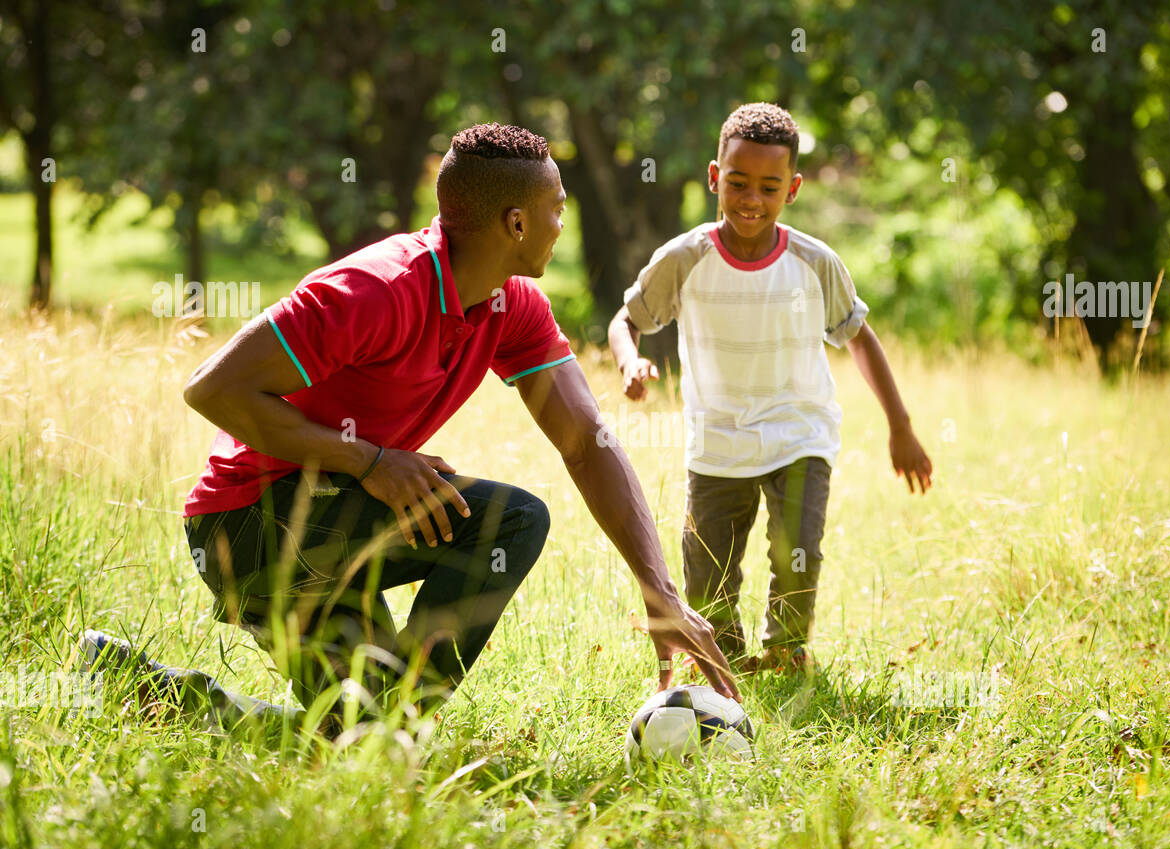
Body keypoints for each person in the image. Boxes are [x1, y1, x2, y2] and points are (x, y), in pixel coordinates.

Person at [82, 123, 737, 738]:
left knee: (358, 733)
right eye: (557, 208)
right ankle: (394, 732)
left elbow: (585, 441)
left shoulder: (511, 306)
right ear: (515, 222)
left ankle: (155, 690)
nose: (563, 224)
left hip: (328, 532)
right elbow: (212, 387)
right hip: (250, 528)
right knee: (510, 520)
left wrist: (660, 591)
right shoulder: (377, 290)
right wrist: (368, 461)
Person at [607, 103, 933, 676]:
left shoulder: (813, 262)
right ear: (714, 176)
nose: (751, 199)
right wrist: (630, 360)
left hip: (799, 434)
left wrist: (900, 426)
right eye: (737, 182)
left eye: (769, 186)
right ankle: (722, 660)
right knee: (707, 573)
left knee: (797, 557)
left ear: (794, 188)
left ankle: (786, 653)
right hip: (717, 445)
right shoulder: (685, 259)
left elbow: (859, 337)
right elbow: (625, 318)